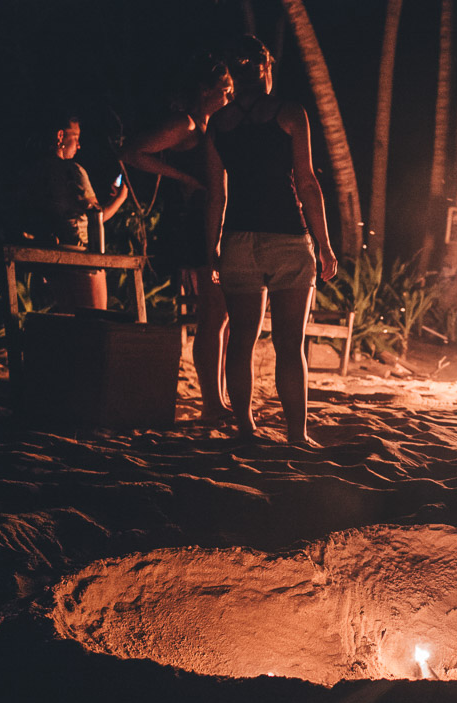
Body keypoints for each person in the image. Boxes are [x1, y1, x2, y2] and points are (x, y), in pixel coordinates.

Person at [204, 36, 338, 445]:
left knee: (242, 337)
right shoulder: (290, 113)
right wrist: (325, 244)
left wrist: (212, 248)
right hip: (287, 239)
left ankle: (245, 425)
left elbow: (217, 195)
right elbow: (307, 182)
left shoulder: (218, 123)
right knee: (289, 343)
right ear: (265, 68)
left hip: (238, 241)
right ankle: (296, 434)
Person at [122, 55, 234, 419]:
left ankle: (219, 396)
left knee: (224, 312)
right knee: (212, 310)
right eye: (225, 89)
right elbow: (133, 152)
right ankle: (211, 403)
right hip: (194, 223)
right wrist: (182, 178)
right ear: (205, 90)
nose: (230, 97)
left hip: (211, 220)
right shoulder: (186, 125)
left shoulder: (208, 127)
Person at [19, 112, 129, 309]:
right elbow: (97, 217)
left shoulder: (34, 171)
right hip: (79, 254)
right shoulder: (72, 171)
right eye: (76, 137)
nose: (78, 145)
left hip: (48, 253)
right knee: (95, 318)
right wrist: (121, 198)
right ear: (61, 136)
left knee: (68, 321)